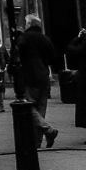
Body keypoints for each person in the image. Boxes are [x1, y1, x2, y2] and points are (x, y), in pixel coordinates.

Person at [17, 15, 58, 148]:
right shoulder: (45, 38)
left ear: (29, 24)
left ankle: (47, 129)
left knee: (28, 106)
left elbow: (18, 54)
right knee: (41, 109)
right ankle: (37, 142)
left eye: (25, 23)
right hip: (44, 76)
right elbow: (53, 58)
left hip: (30, 76)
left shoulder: (25, 38)